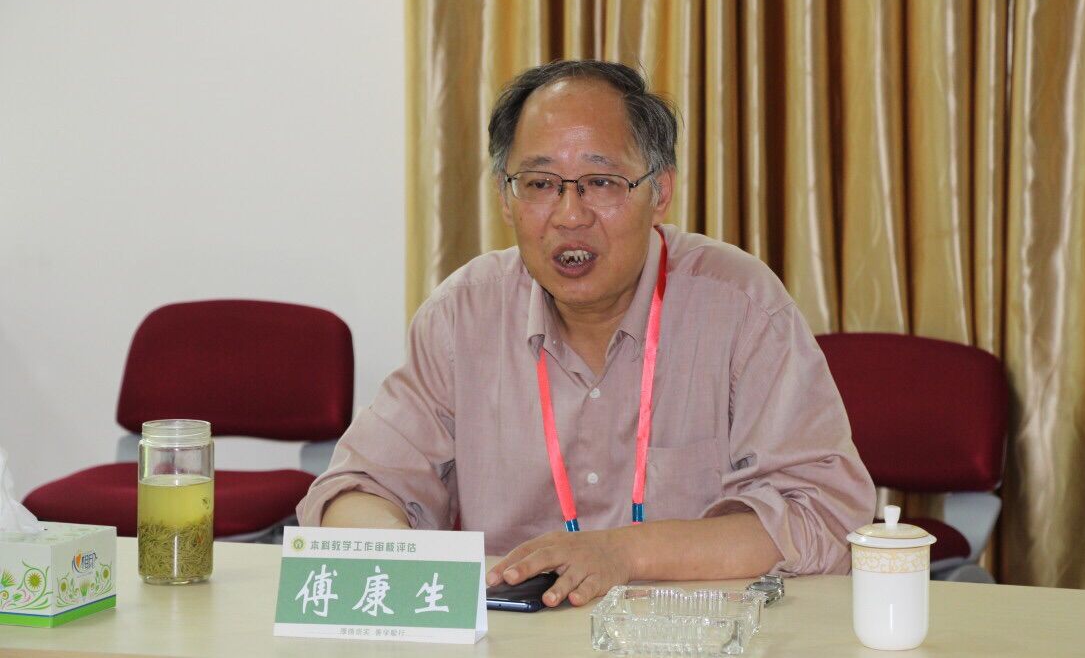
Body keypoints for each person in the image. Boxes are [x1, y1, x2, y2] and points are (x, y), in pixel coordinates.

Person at [297, 59, 875, 608]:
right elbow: (358, 490)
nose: (570, 214)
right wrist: (394, 556)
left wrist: (625, 553)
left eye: (601, 181)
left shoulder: (742, 307)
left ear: (660, 192)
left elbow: (823, 515)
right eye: (540, 183)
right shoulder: (462, 316)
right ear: (505, 198)